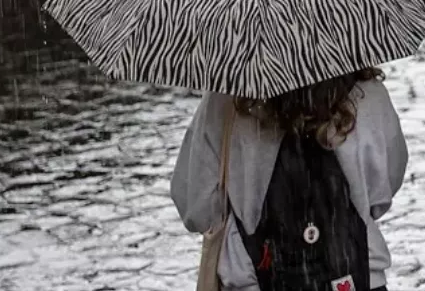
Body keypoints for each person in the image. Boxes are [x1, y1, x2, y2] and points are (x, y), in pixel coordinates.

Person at [171, 67, 407, 291]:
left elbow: (197, 209)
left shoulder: (226, 100)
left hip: (254, 280)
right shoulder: (368, 93)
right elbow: (384, 189)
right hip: (359, 275)